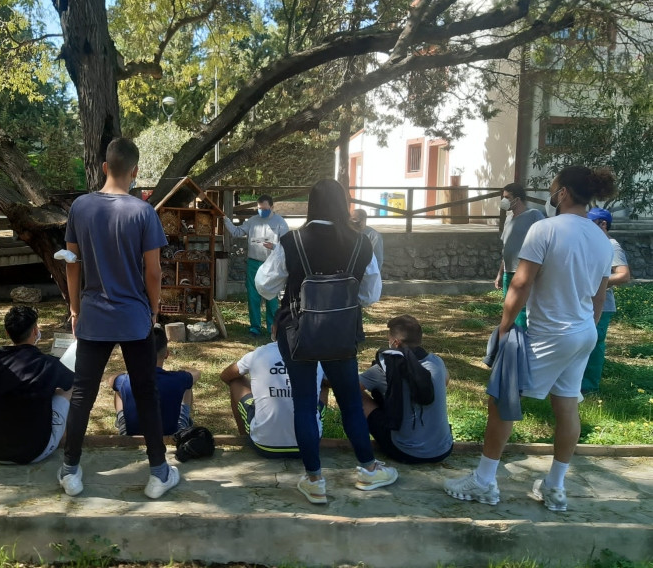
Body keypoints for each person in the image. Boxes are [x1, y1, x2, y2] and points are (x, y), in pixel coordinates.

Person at [444, 165, 616, 512]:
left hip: (550, 332)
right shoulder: (600, 237)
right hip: (582, 332)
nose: (551, 193)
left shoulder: (545, 229)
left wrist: (505, 325)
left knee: (502, 397)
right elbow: (599, 296)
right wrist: (588, 330)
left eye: (553, 188)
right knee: (566, 404)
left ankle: (483, 481)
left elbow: (521, 283)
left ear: (563, 193)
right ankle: (554, 487)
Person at [255, 178, 397, 504]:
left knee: (304, 404)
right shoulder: (362, 243)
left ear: (311, 204)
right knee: (350, 402)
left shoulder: (292, 241)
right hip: (341, 335)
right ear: (343, 203)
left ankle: (314, 480)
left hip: (297, 335)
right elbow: (371, 295)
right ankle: (368, 469)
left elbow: (264, 285)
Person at [61, 137, 178, 499]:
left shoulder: (80, 207)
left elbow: (71, 262)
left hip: (94, 314)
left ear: (104, 167)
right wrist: (154, 310)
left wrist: (75, 309)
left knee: (82, 393)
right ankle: (158, 472)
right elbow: (154, 272)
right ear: (136, 171)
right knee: (146, 392)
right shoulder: (144, 212)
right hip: (133, 317)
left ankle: (70, 471)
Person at [0, 306, 74, 464]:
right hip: (34, 452)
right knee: (69, 391)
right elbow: (72, 382)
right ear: (35, 331)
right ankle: (65, 437)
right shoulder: (47, 364)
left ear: (7, 333)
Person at [220, 325, 328, 458]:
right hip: (309, 445)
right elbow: (335, 382)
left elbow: (226, 375)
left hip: (264, 445)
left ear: (274, 329)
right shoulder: (316, 355)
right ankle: (314, 424)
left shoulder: (258, 354)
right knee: (324, 384)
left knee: (236, 381)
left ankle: (244, 436)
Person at [359, 315, 453, 464]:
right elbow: (445, 381)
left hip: (405, 451)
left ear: (395, 343)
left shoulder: (384, 368)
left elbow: (350, 388)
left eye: (389, 337)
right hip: (443, 449)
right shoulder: (436, 362)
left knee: (356, 396)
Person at [108, 325, 200, 436]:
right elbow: (196, 373)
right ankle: (185, 423)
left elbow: (111, 380)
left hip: (132, 434)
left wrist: (129, 374)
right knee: (187, 385)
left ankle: (122, 422)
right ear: (166, 354)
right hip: (172, 433)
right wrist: (181, 373)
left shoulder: (126, 380)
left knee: (118, 389)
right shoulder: (178, 378)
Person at [223, 194, 290, 336]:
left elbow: (287, 244)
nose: (262, 211)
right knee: (253, 295)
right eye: (259, 208)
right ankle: (255, 327)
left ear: (272, 207)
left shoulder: (280, 222)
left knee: (271, 296)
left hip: (272, 263)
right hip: (253, 262)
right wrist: (226, 221)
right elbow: (237, 232)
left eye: (265, 208)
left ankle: (272, 327)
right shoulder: (253, 220)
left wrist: (274, 246)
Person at [581, 208, 631, 395]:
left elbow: (624, 275)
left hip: (603, 305)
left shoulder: (612, 245)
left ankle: (590, 386)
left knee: (594, 345)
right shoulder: (593, 244)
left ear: (603, 224)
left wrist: (599, 281)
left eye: (590, 223)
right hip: (587, 301)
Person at [494, 183, 544, 329]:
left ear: (517, 198)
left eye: (507, 197)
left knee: (521, 308)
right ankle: (511, 336)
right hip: (508, 272)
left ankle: (522, 337)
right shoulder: (509, 219)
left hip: (523, 271)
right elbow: (506, 248)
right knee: (508, 307)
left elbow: (544, 240)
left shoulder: (534, 215)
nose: (504, 201)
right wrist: (500, 273)